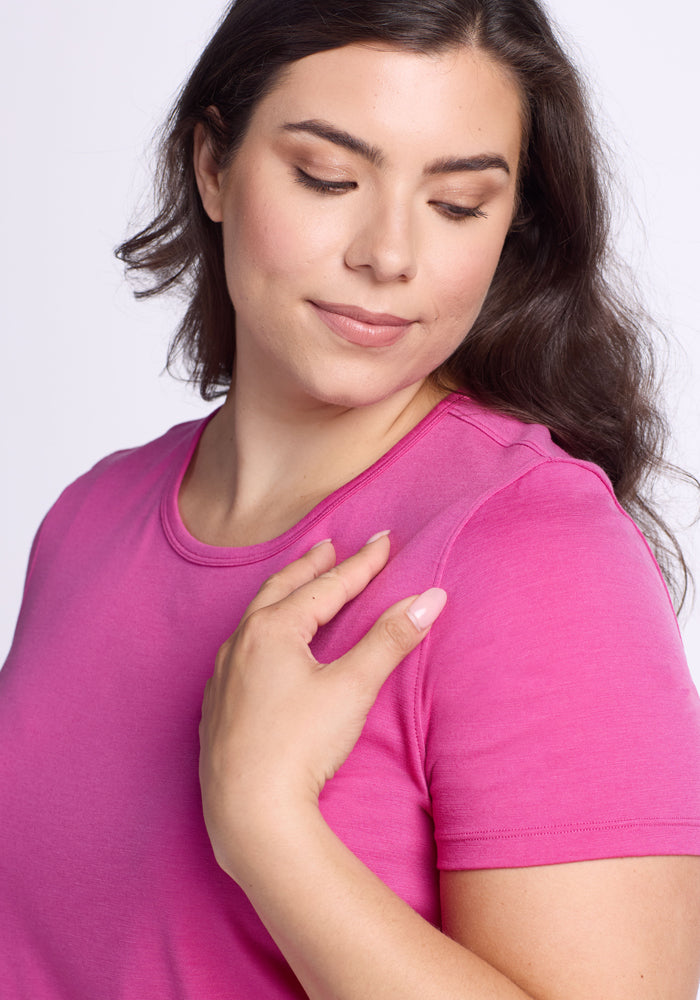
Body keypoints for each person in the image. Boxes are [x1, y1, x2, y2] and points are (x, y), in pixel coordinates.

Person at [1, 0, 700, 997]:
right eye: (328, 177)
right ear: (212, 164)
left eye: (456, 203)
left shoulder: (534, 551)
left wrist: (267, 824)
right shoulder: (89, 518)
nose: (389, 254)